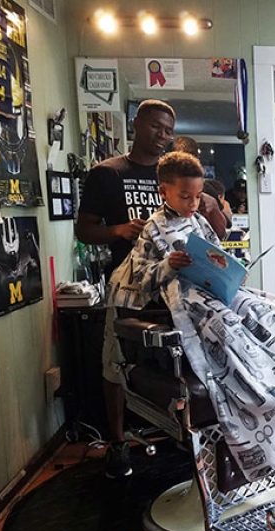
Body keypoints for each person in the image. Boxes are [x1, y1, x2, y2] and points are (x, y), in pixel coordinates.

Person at [106, 151, 275, 481]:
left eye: (198, 196)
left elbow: (216, 254)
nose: (193, 203)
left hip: (217, 293)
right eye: (185, 196)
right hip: (187, 305)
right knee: (227, 329)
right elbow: (141, 279)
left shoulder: (198, 220)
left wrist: (232, 272)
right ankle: (264, 396)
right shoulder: (153, 229)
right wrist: (169, 265)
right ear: (164, 192)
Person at [75, 99, 176, 477]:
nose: (163, 136)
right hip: (126, 283)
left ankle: (178, 431)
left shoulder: (173, 174)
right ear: (137, 124)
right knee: (115, 361)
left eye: (168, 130)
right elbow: (84, 230)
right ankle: (118, 442)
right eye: (156, 127)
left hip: (171, 286)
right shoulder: (108, 174)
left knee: (180, 359)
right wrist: (117, 230)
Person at [170, 136, 232, 238]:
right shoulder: (165, 186)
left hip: (199, 246)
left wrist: (214, 206)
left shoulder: (206, 188)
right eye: (181, 161)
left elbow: (221, 232)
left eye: (190, 161)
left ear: (196, 160)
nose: (185, 166)